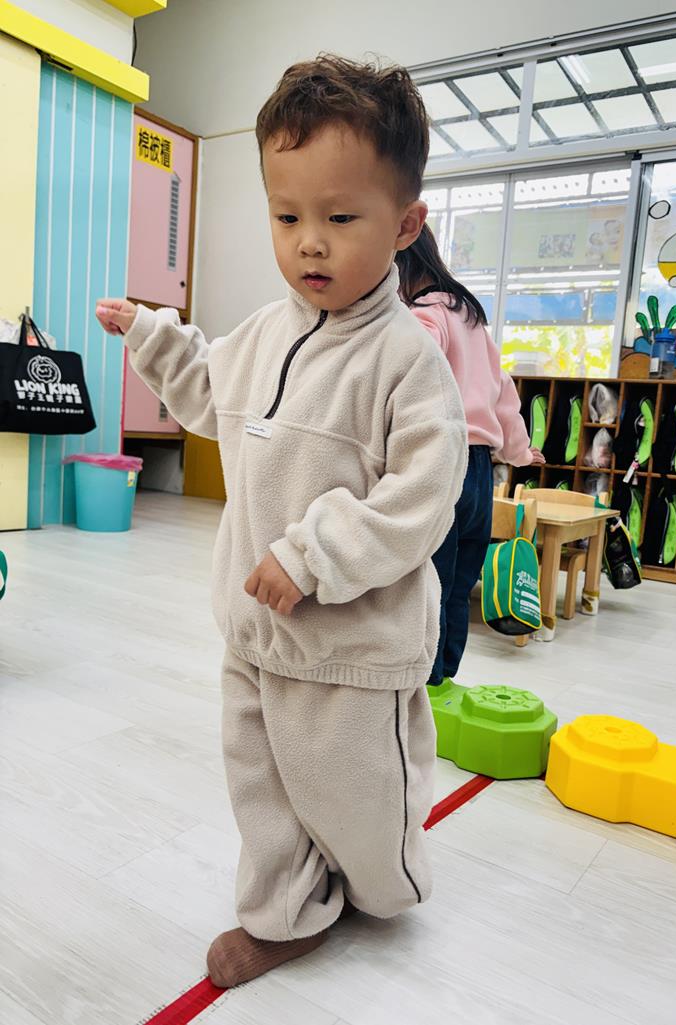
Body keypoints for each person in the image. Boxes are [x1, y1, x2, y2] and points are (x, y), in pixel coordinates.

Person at [95, 57, 467, 989]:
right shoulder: (265, 332)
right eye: (286, 215)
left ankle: (381, 879)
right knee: (260, 786)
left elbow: (421, 500)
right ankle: (285, 912)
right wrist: (153, 336)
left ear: (405, 225)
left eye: (340, 219)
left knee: (354, 795)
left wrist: (311, 554)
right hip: (255, 632)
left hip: (351, 646)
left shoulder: (407, 360)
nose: (309, 243)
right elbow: (206, 396)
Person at [396, 225, 544, 689]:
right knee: (459, 584)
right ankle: (444, 677)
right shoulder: (471, 319)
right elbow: (504, 393)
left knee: (430, 585)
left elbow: (412, 373)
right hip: (480, 468)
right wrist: (520, 453)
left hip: (442, 458)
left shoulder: (423, 316)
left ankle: (424, 684)